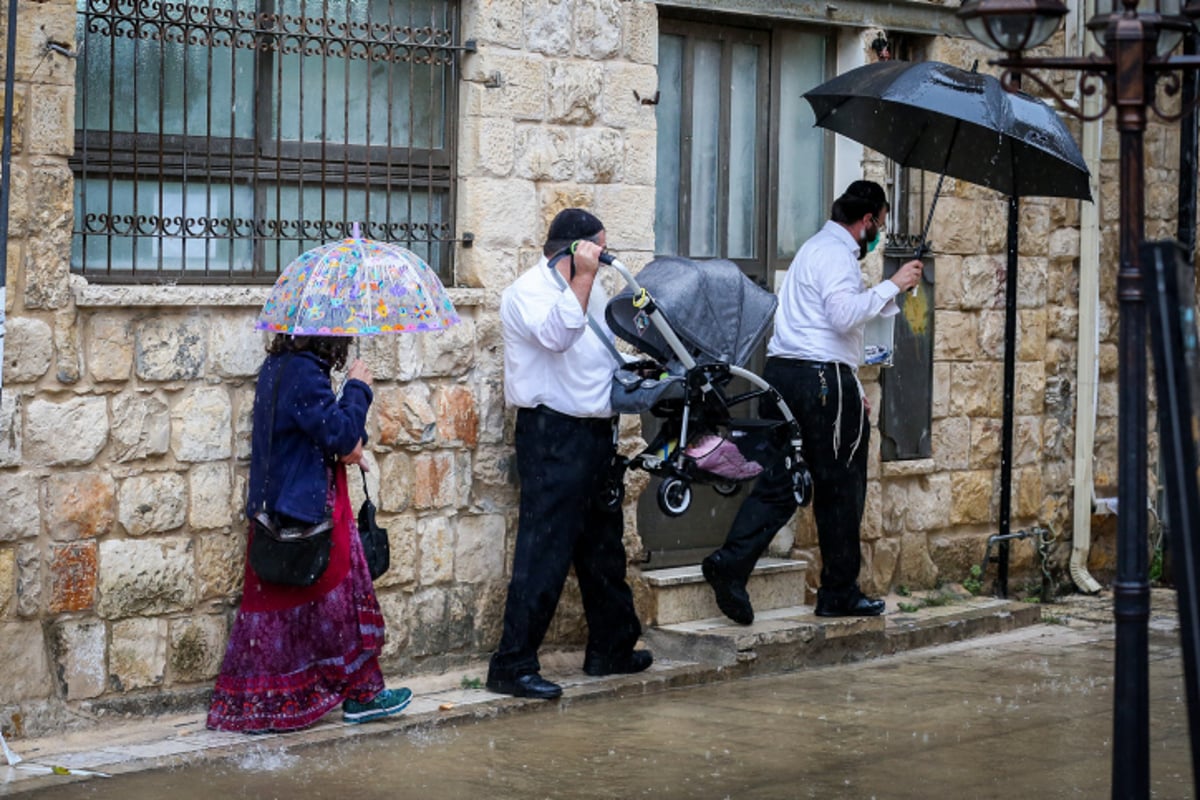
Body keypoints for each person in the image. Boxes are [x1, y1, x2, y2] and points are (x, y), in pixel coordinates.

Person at [702, 180, 923, 624]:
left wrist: (851, 379)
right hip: (821, 380)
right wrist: (892, 285)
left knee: (781, 482)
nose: (879, 231)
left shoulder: (812, 249)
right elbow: (842, 315)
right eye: (880, 223)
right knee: (840, 487)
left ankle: (731, 562)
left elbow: (821, 321)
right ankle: (839, 591)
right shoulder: (838, 255)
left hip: (785, 374)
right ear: (867, 221)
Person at [486, 208, 652, 700]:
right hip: (553, 436)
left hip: (596, 432)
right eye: (598, 249)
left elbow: (598, 350)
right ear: (579, 248)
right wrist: (582, 276)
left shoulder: (591, 288)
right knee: (545, 551)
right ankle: (511, 664)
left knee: (603, 546)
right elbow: (559, 337)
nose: (604, 259)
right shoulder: (525, 294)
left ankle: (611, 647)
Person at [207, 335, 411, 732]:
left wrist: (348, 439)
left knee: (284, 613)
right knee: (342, 600)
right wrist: (357, 388)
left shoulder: (281, 366)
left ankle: (274, 703)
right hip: (306, 515)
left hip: (282, 510)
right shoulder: (302, 372)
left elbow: (327, 433)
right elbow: (342, 437)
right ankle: (360, 696)